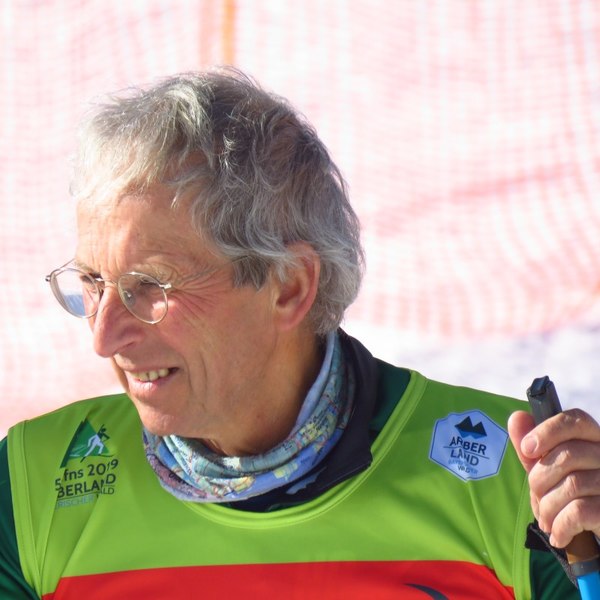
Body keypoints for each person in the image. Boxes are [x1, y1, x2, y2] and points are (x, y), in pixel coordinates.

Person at [0, 67, 594, 599]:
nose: (104, 337)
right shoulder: (31, 486)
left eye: (150, 286)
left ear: (289, 286)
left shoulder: (517, 480)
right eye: (93, 282)